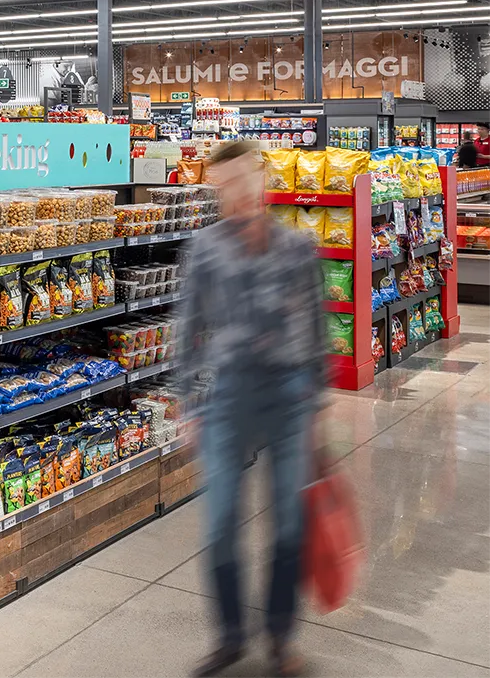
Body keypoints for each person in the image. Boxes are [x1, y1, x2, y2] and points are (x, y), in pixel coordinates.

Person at [177, 140, 327, 678]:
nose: (237, 192)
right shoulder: (206, 248)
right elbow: (189, 328)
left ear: (260, 180)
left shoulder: (297, 246)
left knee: (289, 525)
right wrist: (190, 402)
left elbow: (315, 328)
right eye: (226, 183)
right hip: (229, 395)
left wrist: (317, 403)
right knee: (220, 524)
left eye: (245, 179)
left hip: (289, 396)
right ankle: (231, 637)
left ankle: (281, 639)